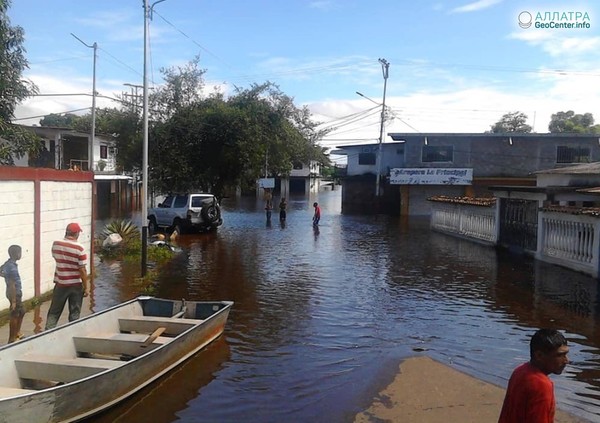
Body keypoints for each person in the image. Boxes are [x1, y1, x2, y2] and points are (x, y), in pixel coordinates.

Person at [498, 328, 570, 423]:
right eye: (560, 355)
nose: (566, 360)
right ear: (539, 355)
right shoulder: (542, 385)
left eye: (566, 354)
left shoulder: (520, 370)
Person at [45, 223, 90, 330]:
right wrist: (86, 287)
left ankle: (47, 333)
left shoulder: (56, 244)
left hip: (60, 283)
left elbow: (57, 258)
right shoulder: (80, 248)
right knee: (74, 312)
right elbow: (82, 270)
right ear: (77, 233)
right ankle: (72, 333)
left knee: (54, 312)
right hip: (76, 286)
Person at [0, 245, 25, 343]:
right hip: (14, 293)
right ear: (17, 254)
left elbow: (0, 270)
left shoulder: (9, 263)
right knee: (15, 314)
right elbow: (12, 284)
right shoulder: (12, 268)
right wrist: (13, 301)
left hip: (14, 292)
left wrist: (4, 275)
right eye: (20, 253)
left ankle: (17, 333)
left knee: (22, 311)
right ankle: (12, 339)